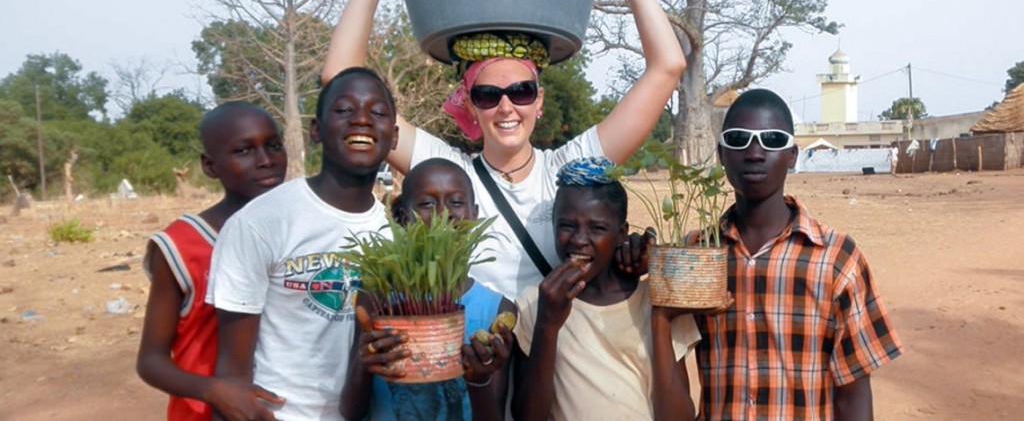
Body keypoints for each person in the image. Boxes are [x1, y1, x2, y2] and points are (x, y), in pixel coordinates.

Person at [321, 0, 686, 300]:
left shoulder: (567, 170)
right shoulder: (449, 176)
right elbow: (340, 82)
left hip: (552, 353)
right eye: (488, 95)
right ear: (469, 105)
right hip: (474, 351)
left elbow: (667, 67)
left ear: (539, 100)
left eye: (521, 92)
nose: (506, 107)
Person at [696, 89, 903, 420]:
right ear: (721, 154)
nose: (754, 152)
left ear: (792, 155)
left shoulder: (837, 259)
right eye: (738, 139)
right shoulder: (695, 256)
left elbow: (852, 395)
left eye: (772, 140)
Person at [206, 67, 399, 420]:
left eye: (378, 112)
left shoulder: (395, 234)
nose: (361, 120)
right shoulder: (263, 221)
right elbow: (231, 379)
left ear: (395, 137)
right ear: (316, 130)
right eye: (343, 110)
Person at [511, 157, 701, 420]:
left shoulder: (656, 301)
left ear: (622, 233)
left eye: (597, 228)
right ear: (553, 226)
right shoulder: (536, 303)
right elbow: (527, 416)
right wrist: (547, 325)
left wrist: (660, 318)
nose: (578, 239)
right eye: (566, 225)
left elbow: (679, 417)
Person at [136, 102, 288, 420]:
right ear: (210, 165)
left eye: (273, 146)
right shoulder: (182, 244)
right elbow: (151, 361)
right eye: (244, 151)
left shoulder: (299, 233)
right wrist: (215, 390)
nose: (266, 161)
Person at [341, 158, 515, 421]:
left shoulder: (498, 309)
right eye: (427, 204)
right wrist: (364, 364)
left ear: (474, 214)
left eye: (456, 202)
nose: (443, 214)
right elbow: (350, 412)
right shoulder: (378, 292)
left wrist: (479, 381)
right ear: (402, 217)